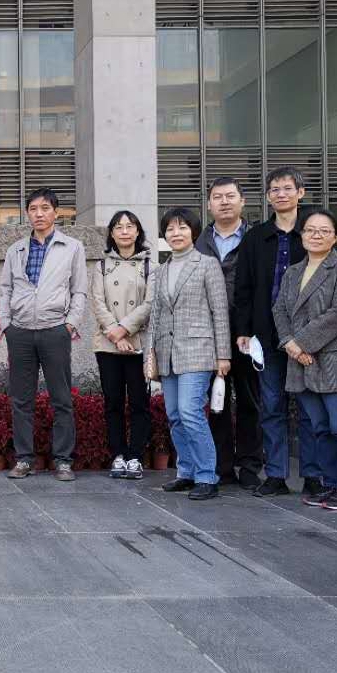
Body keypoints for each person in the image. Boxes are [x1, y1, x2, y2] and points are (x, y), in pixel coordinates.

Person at [272, 209, 337, 511]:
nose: (316, 235)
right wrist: (290, 344)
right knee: (320, 428)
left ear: (335, 237)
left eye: (324, 231)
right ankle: (331, 485)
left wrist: (300, 342)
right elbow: (279, 310)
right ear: (301, 235)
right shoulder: (293, 272)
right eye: (310, 230)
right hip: (301, 361)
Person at [232, 166, 321, 498]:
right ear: (268, 196)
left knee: (310, 409)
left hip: (307, 337)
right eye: (274, 189)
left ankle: (313, 475)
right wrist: (243, 329)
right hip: (266, 337)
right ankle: (276, 475)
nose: (281, 194)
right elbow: (243, 287)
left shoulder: (313, 231)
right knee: (271, 407)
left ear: (300, 192)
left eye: (287, 188)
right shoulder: (255, 237)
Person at [0, 188, 88, 482]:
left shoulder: (72, 247)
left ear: (55, 212)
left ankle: (63, 460)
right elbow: (5, 290)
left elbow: (79, 290)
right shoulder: (16, 250)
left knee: (61, 399)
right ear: (27, 213)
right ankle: (24, 459)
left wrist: (70, 324)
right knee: (21, 400)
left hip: (55, 330)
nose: (39, 214)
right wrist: (6, 325)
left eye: (45, 208)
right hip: (21, 332)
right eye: (33, 209)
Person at [144, 207, 232, 501]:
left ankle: (207, 476)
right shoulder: (161, 270)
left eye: (182, 227)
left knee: (190, 412)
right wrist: (150, 355)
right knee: (174, 416)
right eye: (170, 229)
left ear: (193, 232)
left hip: (198, 351)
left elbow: (219, 311)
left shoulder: (207, 264)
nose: (176, 233)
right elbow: (155, 315)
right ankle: (187, 472)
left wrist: (223, 355)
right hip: (167, 353)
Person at [195, 176, 264, 490]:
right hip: (208, 334)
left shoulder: (256, 238)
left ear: (242, 201)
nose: (224, 202)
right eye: (217, 197)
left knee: (251, 401)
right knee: (216, 402)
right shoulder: (199, 241)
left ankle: (249, 466)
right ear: (209, 204)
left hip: (247, 333)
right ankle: (221, 466)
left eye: (230, 196)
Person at [89, 210, 153, 480]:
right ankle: (118, 453)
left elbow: (149, 304)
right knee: (112, 402)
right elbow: (97, 302)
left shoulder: (150, 265)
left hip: (138, 343)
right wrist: (116, 334)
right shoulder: (101, 266)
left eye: (130, 226)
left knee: (139, 402)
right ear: (112, 234)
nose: (124, 231)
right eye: (119, 227)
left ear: (138, 232)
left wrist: (125, 329)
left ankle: (135, 456)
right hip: (108, 345)